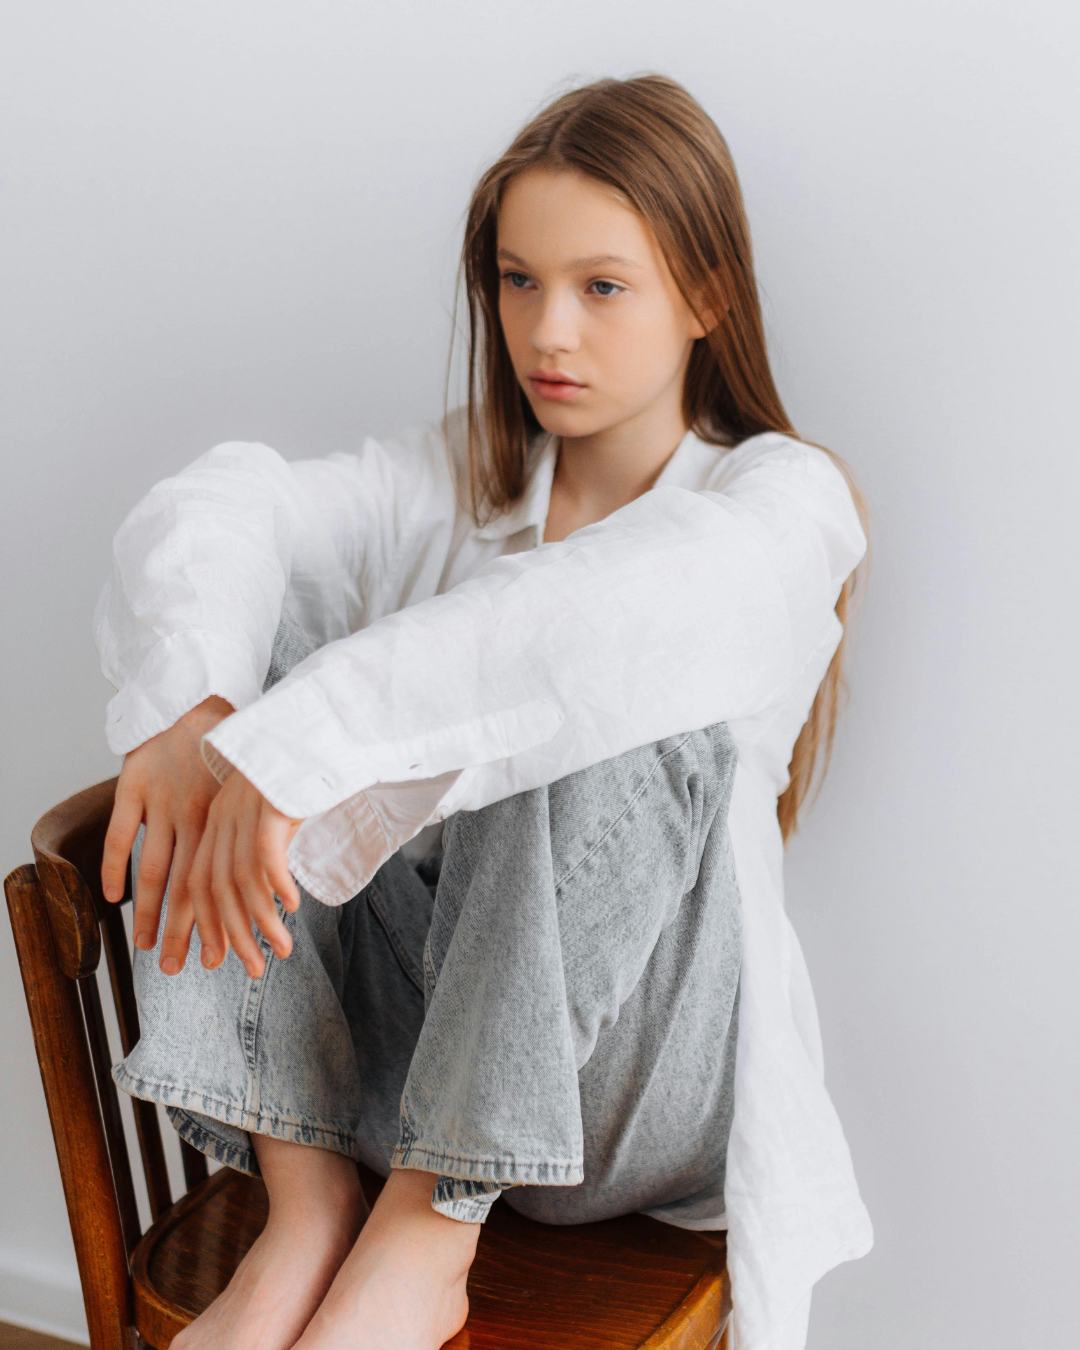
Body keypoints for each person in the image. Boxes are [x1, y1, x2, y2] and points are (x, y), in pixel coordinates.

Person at [95, 74, 872, 1350]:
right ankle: (307, 1198)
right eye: (518, 282)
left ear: (706, 297)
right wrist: (198, 712)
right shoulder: (457, 474)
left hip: (627, 1101)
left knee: (597, 694)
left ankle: (427, 1234)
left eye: (600, 286)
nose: (548, 331)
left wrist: (306, 742)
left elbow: (593, 618)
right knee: (242, 639)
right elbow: (225, 501)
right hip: (407, 1057)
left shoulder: (782, 502)